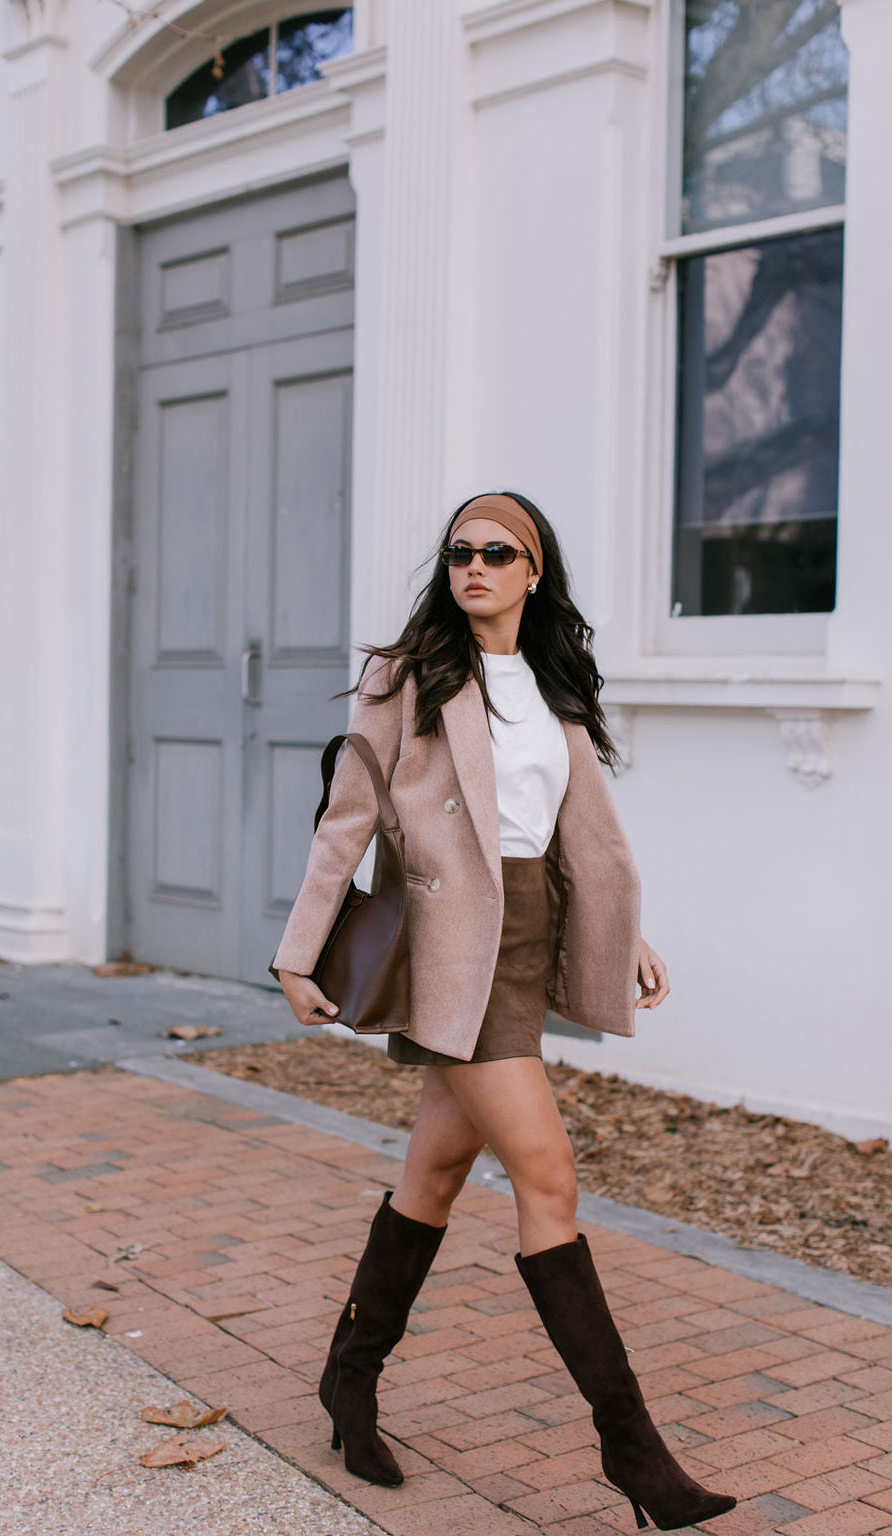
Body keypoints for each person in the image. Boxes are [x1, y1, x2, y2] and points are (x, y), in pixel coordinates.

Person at [273, 492, 736, 1532]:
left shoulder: (555, 682)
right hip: (452, 953)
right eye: (458, 554)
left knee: (435, 1169)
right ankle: (632, 1450)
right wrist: (299, 951)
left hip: (527, 939)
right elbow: (348, 818)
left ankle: (348, 1379)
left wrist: (627, 938)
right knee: (548, 1174)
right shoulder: (408, 678)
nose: (472, 567)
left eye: (495, 553)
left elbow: (564, 832)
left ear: (533, 572)